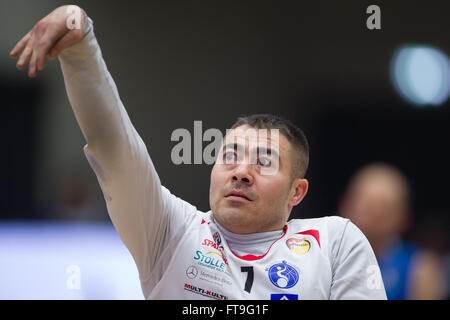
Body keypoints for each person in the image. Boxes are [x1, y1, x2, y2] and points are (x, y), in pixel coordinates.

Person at [10, 5, 386, 300]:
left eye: (264, 162)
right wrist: (81, 49)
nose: (241, 172)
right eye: (230, 156)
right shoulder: (171, 232)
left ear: (296, 192)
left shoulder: (336, 242)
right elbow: (116, 151)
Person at [339, 163, 445, 299]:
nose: (375, 214)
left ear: (404, 218)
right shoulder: (320, 258)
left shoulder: (420, 267)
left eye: (385, 207)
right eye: (368, 206)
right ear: (345, 205)